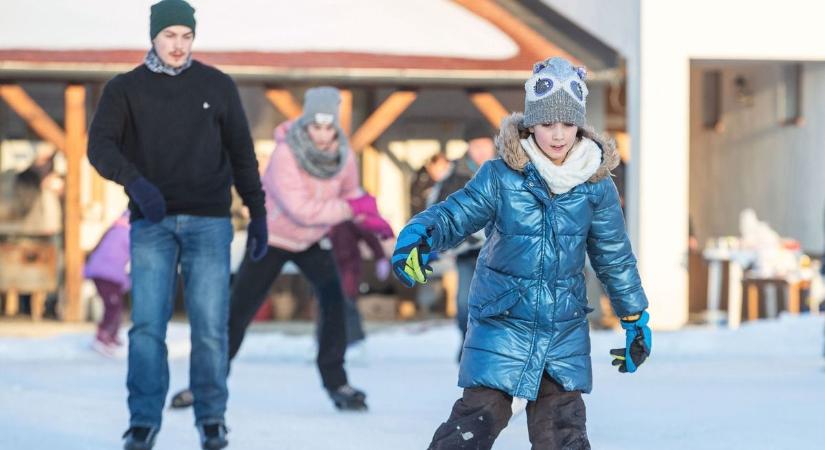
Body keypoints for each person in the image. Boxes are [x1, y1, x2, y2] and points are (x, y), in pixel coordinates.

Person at [392, 57, 652, 449]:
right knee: (474, 423)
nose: (558, 135)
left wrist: (633, 315)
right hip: (503, 320)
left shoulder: (596, 185)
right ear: (531, 124)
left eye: (568, 124)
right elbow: (456, 214)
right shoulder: (501, 176)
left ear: (580, 125)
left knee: (563, 434)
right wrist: (420, 236)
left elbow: (613, 255)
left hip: (562, 327)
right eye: (547, 124)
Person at [86, 1, 268, 448]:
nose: (178, 45)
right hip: (152, 223)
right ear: (153, 36)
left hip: (210, 222)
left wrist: (258, 211)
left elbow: (242, 153)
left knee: (210, 328)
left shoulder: (216, 85)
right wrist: (135, 182)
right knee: (148, 326)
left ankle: (212, 418)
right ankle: (143, 420)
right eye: (170, 35)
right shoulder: (125, 89)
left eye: (186, 36)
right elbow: (100, 147)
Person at [169, 86, 392, 413]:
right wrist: (350, 208)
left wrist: (373, 219)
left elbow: (351, 192)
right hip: (272, 238)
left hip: (312, 240)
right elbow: (300, 209)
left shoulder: (344, 156)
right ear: (305, 123)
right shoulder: (286, 153)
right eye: (316, 126)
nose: (322, 135)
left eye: (328, 127)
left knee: (334, 302)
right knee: (239, 310)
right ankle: (204, 383)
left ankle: (337, 383)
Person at [430, 119, 497, 357]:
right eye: (475, 145)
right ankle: (468, 343)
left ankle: (492, 349)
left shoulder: (506, 169)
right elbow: (439, 210)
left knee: (499, 302)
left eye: (485, 145)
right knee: (464, 302)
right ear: (468, 147)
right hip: (467, 252)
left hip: (501, 250)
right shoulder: (455, 176)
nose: (481, 151)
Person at [328, 220, 391, 347]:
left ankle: (355, 340)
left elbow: (369, 236)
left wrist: (380, 257)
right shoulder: (322, 217)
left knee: (348, 301)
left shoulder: (348, 218)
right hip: (328, 265)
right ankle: (326, 341)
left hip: (348, 266)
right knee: (327, 303)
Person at [84, 211, 131, 357]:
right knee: (113, 306)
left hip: (105, 274)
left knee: (115, 306)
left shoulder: (116, 229)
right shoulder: (125, 232)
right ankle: (103, 336)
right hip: (106, 274)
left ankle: (111, 335)